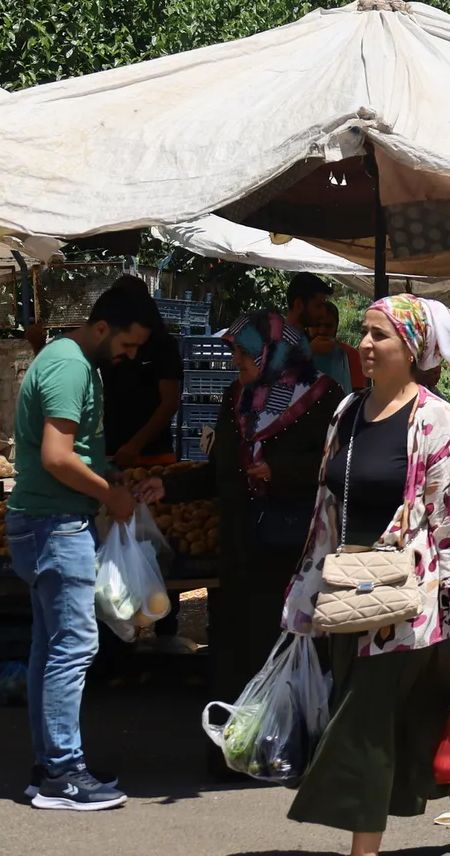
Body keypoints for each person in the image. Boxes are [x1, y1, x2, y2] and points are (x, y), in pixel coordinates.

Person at [282, 295, 450, 856]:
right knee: (422, 717)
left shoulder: (436, 418)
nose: (366, 346)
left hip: (410, 599)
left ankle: (362, 850)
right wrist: (306, 587)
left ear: (412, 348)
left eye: (380, 336)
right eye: (366, 333)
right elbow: (328, 507)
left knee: (363, 724)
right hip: (348, 587)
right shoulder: (345, 411)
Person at [159, 311, 342, 750]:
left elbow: (336, 464)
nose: (235, 359)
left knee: (294, 647)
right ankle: (242, 745)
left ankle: (295, 742)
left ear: (273, 351)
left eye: (243, 351)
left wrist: (279, 472)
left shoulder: (323, 397)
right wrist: (162, 488)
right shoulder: (235, 398)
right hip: (244, 551)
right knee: (239, 649)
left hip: (294, 551)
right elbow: (219, 471)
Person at [9, 286, 153, 811]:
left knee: (50, 648)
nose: (130, 357)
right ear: (101, 327)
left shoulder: (72, 363)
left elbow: (77, 453)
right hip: (55, 526)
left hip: (45, 522)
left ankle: (50, 765)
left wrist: (112, 476)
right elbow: (55, 456)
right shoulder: (70, 366)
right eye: (128, 344)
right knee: (73, 648)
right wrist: (109, 494)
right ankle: (63, 776)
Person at [98, 276, 182, 469]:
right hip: (113, 453)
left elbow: (170, 403)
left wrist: (135, 445)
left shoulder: (162, 344)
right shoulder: (107, 342)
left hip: (154, 456)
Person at [306, 293, 365, 396]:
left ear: (336, 327)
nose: (322, 331)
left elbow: (357, 396)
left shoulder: (350, 355)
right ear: (307, 326)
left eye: (328, 326)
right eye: (316, 325)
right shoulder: (295, 353)